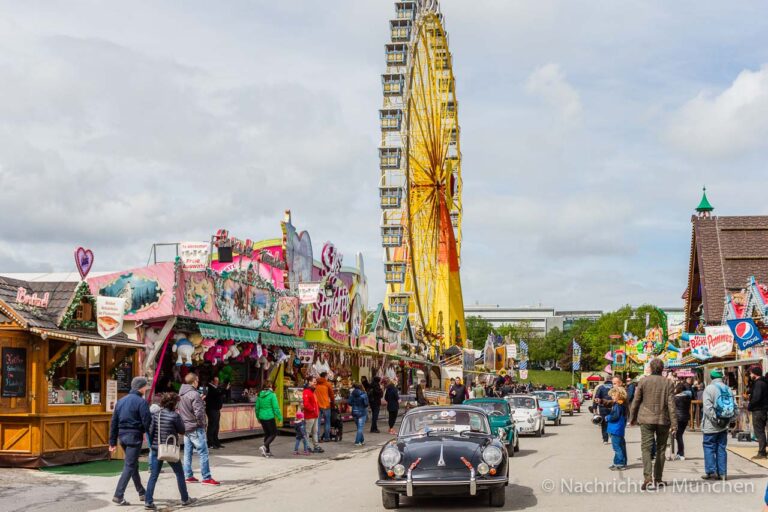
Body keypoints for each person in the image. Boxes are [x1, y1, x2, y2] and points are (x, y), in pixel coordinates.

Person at [629, 358, 677, 490]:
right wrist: (674, 424)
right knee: (661, 449)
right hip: (663, 420)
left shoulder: (643, 381)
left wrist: (632, 418)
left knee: (646, 448)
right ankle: (658, 478)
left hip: (646, 419)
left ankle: (647, 478)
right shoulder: (668, 383)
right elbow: (671, 405)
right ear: (662, 369)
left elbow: (636, 401)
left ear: (650, 368)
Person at [144, 393, 196, 510]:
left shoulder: (157, 414)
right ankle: (185, 499)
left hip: (157, 449)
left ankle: (148, 501)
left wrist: (153, 446)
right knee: (179, 473)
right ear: (174, 403)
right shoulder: (175, 416)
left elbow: (151, 432)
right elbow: (182, 430)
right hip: (170, 449)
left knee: (154, 475)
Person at [109, 376, 152, 505]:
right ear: (142, 387)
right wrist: (151, 438)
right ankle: (118, 495)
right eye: (145, 386)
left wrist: (112, 442)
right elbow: (147, 421)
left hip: (122, 437)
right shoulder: (142, 402)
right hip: (134, 437)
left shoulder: (120, 401)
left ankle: (141, 492)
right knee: (129, 465)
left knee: (132, 465)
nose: (146, 389)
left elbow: (114, 423)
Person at [179, 373, 220, 486]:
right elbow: (199, 413)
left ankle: (188, 475)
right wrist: (202, 424)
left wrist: (200, 401)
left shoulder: (182, 393)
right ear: (195, 381)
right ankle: (206, 477)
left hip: (186, 426)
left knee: (187, 452)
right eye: (197, 380)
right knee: (203, 452)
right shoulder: (194, 394)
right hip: (195, 427)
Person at [701, 368, 734, 480]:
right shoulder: (728, 389)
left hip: (711, 425)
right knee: (721, 448)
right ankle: (723, 473)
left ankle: (711, 472)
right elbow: (734, 407)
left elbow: (707, 408)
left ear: (712, 377)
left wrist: (715, 420)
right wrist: (728, 421)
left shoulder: (709, 389)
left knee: (709, 447)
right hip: (724, 425)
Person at [254, 381, 283, 457]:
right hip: (269, 417)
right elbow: (276, 407)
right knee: (273, 433)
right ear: (270, 386)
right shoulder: (272, 395)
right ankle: (264, 446)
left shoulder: (259, 395)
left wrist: (258, 417)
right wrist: (280, 417)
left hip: (262, 417)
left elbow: (257, 408)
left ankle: (267, 451)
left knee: (267, 434)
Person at [606, 386, 628, 471]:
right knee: (621, 446)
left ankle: (620, 463)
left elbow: (615, 416)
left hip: (615, 428)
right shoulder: (622, 403)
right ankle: (618, 462)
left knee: (617, 447)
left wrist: (608, 417)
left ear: (619, 395)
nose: (612, 397)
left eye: (614, 395)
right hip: (619, 428)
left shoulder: (618, 405)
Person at [748, 366, 768, 459]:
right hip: (763, 409)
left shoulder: (759, 383)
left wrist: (750, 406)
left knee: (759, 431)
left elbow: (756, 398)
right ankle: (763, 450)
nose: (750, 375)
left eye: (751, 373)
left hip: (758, 410)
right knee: (762, 431)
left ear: (755, 374)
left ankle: (762, 452)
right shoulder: (763, 382)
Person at [302, 377, 323, 453]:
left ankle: (316, 446)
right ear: (309, 382)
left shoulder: (312, 391)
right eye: (314, 382)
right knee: (307, 432)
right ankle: (306, 446)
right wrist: (313, 409)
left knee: (315, 431)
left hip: (315, 415)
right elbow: (306, 404)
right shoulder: (307, 391)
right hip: (310, 415)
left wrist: (316, 410)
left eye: (315, 382)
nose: (315, 383)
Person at [673, 382, 692, 460]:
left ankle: (681, 454)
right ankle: (679, 453)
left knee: (678, 436)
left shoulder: (675, 398)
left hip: (678, 418)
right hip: (685, 417)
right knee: (679, 435)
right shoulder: (688, 397)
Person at [205, 376, 225, 449]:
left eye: (218, 381)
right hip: (211, 409)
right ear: (212, 381)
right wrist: (224, 389)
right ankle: (210, 443)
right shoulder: (209, 387)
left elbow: (219, 393)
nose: (217, 382)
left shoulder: (216, 387)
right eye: (216, 381)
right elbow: (216, 394)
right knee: (212, 426)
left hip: (216, 409)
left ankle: (216, 442)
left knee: (216, 426)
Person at [315, 372, 335, 442]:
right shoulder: (327, 384)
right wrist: (333, 403)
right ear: (325, 376)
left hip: (317, 405)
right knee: (327, 422)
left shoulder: (316, 383)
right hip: (326, 405)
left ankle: (316, 438)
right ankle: (327, 437)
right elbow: (332, 395)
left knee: (318, 422)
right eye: (327, 376)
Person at [594, 377, 614, 444]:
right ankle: (612, 437)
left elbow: (596, 398)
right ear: (611, 380)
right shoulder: (614, 387)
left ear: (605, 380)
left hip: (603, 408)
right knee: (612, 422)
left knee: (604, 424)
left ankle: (605, 439)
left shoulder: (601, 387)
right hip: (613, 407)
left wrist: (594, 408)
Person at [349, 382, 370, 446]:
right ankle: (357, 441)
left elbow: (349, 402)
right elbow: (366, 404)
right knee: (360, 428)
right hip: (362, 412)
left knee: (359, 427)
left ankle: (362, 440)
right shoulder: (364, 394)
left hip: (354, 412)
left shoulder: (352, 394)